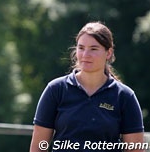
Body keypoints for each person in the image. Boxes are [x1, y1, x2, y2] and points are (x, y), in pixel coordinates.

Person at [29, 22, 145, 152]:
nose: (85, 55)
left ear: (108, 53)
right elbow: (38, 148)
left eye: (93, 49)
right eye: (81, 48)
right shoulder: (56, 90)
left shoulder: (125, 96)